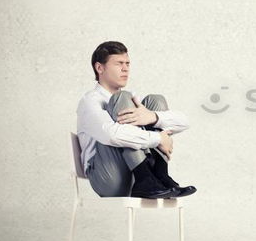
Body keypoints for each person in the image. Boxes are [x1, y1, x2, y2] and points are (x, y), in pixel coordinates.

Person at [76, 41, 197, 198]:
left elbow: (184, 122)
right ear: (100, 68)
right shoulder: (90, 101)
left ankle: (160, 176)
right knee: (123, 99)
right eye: (119, 63)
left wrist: (153, 117)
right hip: (108, 179)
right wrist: (158, 138)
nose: (125, 68)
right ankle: (144, 177)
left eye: (127, 63)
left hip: (132, 172)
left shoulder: (131, 99)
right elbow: (112, 135)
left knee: (155, 101)